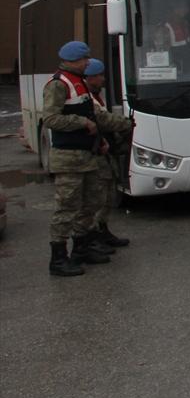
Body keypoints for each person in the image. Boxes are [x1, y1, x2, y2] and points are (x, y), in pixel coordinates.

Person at [44, 41, 130, 276]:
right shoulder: (58, 84)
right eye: (84, 59)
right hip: (68, 157)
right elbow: (51, 119)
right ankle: (58, 259)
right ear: (72, 61)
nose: (87, 63)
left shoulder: (79, 82)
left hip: (87, 154)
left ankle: (82, 249)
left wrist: (99, 140)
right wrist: (83, 123)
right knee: (66, 207)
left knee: (92, 202)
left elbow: (91, 114)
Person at [84, 59, 133, 248]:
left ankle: (102, 230)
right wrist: (125, 123)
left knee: (108, 194)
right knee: (99, 195)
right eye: (99, 76)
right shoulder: (87, 97)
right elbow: (103, 120)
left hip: (106, 151)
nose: (103, 79)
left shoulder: (97, 95)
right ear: (90, 78)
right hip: (96, 154)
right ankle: (94, 235)